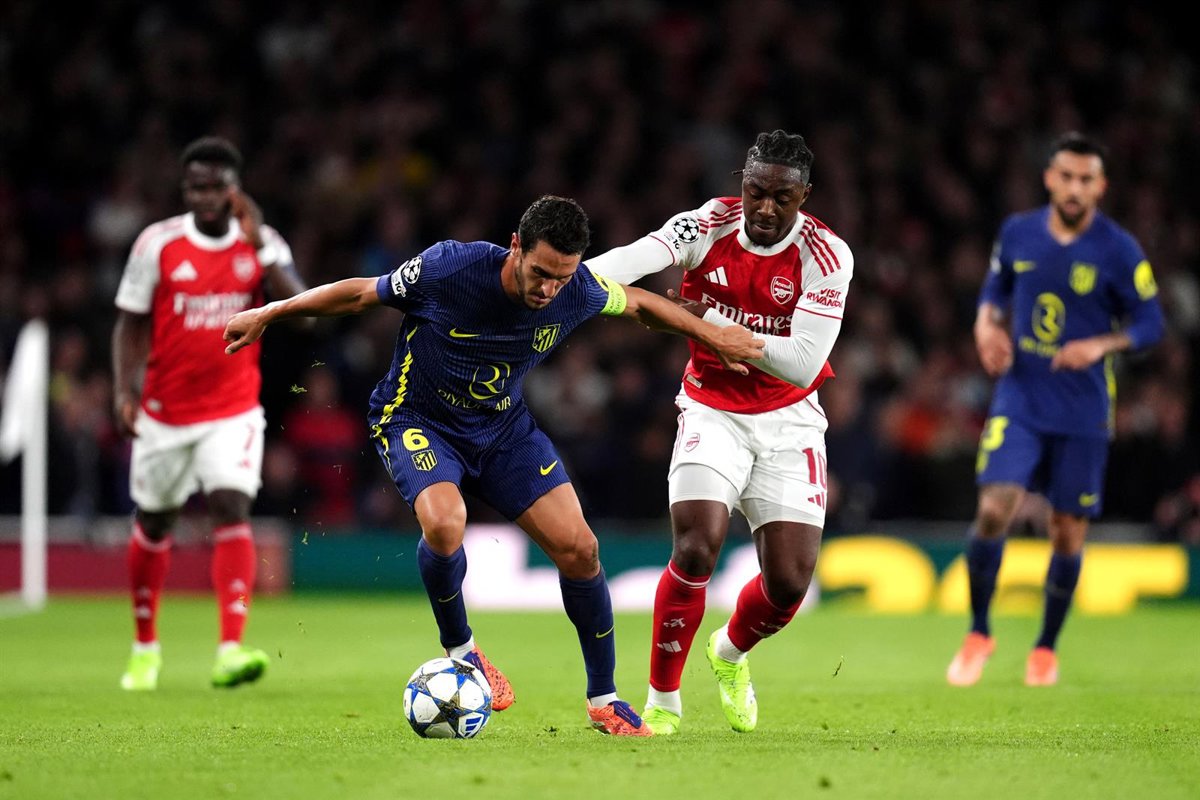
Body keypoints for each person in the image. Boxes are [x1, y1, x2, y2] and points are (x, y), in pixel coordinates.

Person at [222, 195, 764, 736]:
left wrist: (712, 335)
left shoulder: (577, 290)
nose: (549, 289)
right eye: (541, 273)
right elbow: (361, 293)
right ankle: (463, 649)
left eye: (562, 277)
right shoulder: (450, 269)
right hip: (417, 418)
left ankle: (604, 699)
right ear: (516, 247)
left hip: (502, 430)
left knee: (581, 550)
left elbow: (642, 305)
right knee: (444, 522)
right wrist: (269, 313)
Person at [586, 130, 854, 735]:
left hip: (790, 421)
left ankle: (729, 652)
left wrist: (704, 321)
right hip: (712, 410)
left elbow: (802, 363)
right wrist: (572, 278)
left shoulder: (827, 255)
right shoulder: (708, 224)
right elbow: (634, 257)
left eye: (782, 197)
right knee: (696, 545)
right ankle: (663, 702)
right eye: (755, 191)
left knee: (788, 583)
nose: (765, 208)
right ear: (742, 183)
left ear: (804, 196)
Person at [946, 132, 1166, 688]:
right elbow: (994, 291)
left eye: (1085, 179)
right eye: (1066, 176)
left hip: (1083, 408)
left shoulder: (1119, 249)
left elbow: (1151, 323)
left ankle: (1045, 648)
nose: (1074, 188)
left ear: (1101, 186)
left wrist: (1101, 345)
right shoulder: (1018, 232)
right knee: (994, 507)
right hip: (1020, 395)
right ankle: (978, 632)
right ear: (1049, 178)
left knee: (1067, 531)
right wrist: (984, 327)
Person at [112, 136, 308, 690]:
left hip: (232, 409)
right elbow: (129, 322)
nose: (203, 196)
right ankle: (144, 648)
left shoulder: (262, 242)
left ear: (233, 190)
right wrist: (123, 390)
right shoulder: (157, 244)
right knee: (155, 520)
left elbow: (302, 313)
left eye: (213, 187)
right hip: (165, 410)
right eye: (194, 186)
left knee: (230, 504)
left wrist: (261, 246)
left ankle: (230, 648)